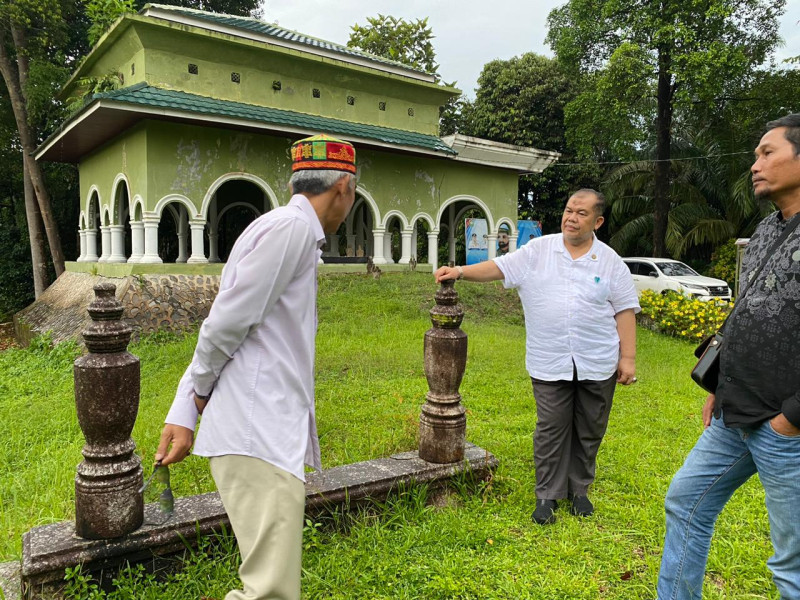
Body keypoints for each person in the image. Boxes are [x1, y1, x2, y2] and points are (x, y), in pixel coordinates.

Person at [154, 134, 357, 600]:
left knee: (269, 586)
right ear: (344, 186)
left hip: (263, 430)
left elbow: (226, 320)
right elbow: (226, 323)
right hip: (257, 432)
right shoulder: (290, 231)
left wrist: (184, 408)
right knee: (270, 591)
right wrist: (194, 397)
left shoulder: (286, 230)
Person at [657, 115, 800, 599]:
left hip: (789, 426)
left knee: (792, 564)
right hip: (735, 413)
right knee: (686, 504)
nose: (755, 165)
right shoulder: (765, 230)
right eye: (755, 154)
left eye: (767, 153)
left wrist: (791, 419)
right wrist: (721, 387)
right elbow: (745, 311)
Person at [435, 189, 639, 525]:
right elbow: (499, 267)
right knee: (550, 428)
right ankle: (547, 494)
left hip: (597, 359)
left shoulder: (610, 261)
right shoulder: (538, 251)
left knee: (589, 428)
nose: (571, 217)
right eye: (569, 210)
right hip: (550, 359)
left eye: (582, 213)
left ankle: (580, 490)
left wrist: (627, 358)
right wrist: (458, 272)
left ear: (598, 221)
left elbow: (625, 311)